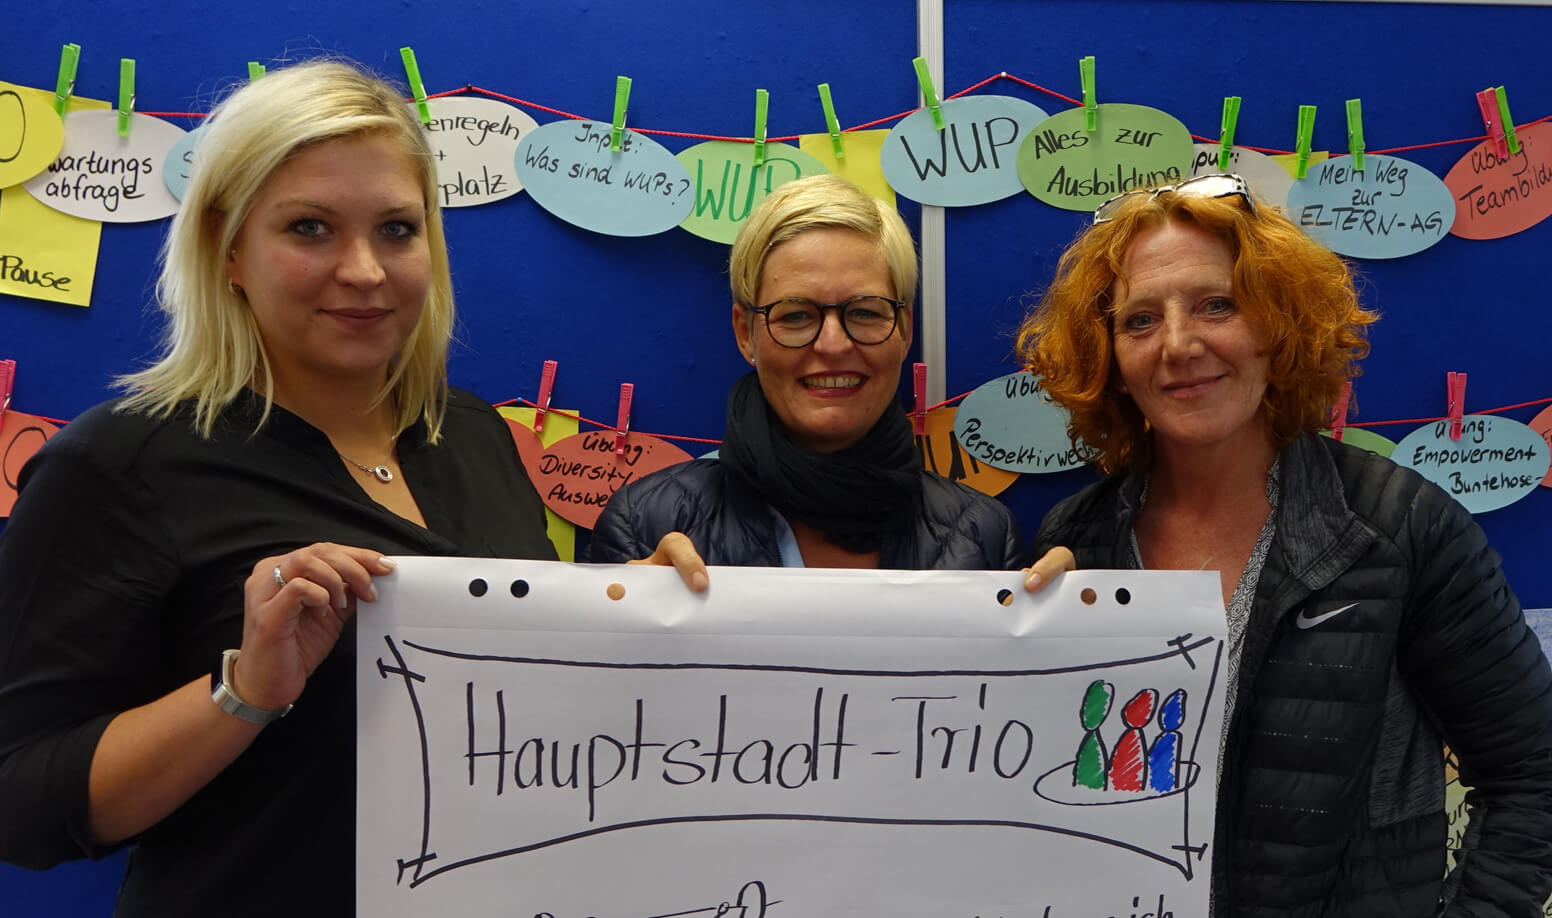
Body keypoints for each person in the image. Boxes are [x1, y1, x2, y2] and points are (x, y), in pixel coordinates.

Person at [0, 60, 556, 915]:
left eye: (397, 230)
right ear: (228, 248)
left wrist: (647, 619)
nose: (364, 271)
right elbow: (19, 803)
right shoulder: (120, 463)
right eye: (310, 228)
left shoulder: (472, 433)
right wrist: (244, 692)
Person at [1017, 173, 1552, 916]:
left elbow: (1534, 776)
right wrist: (1024, 639)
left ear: (1279, 325)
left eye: (1218, 305)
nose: (1179, 344)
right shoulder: (1076, 542)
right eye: (1140, 320)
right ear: (1109, 358)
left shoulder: (1398, 527)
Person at [589, 174, 1021, 574]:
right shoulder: (643, 525)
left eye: (865, 312)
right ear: (746, 334)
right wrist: (626, 619)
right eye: (795, 315)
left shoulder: (984, 537)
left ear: (904, 330)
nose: (833, 345)